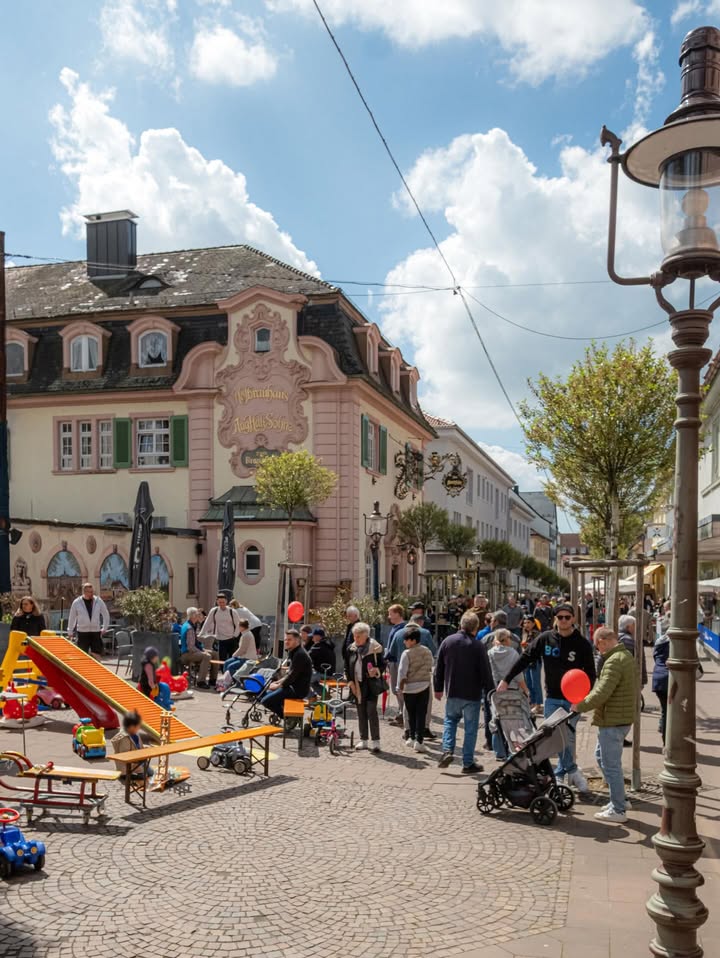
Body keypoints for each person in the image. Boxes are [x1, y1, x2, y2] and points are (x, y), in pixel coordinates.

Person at [498, 602, 596, 793]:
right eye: (560, 617)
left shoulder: (582, 643)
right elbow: (525, 658)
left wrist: (582, 697)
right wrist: (506, 679)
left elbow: (591, 674)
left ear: (573, 619)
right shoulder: (545, 638)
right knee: (555, 737)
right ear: (555, 619)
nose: (564, 620)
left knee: (568, 737)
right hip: (552, 697)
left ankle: (560, 773)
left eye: (567, 617)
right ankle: (571, 771)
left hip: (574, 700)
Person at [572, 627, 636, 824]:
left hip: (613, 720)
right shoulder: (624, 656)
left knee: (611, 765)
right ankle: (620, 799)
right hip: (618, 718)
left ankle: (618, 809)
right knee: (601, 756)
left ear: (603, 641)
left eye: (597, 645)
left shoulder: (614, 661)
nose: (597, 650)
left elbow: (602, 692)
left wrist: (580, 706)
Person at [434, 611, 492, 774]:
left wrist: (438, 688)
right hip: (472, 693)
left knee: (450, 721)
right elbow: (485, 671)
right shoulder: (478, 646)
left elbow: (439, 667)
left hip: (453, 690)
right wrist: (490, 691)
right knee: (470, 729)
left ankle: (447, 750)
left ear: (461, 624)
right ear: (475, 628)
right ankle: (468, 762)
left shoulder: (448, 641)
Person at [487, 629, 529, 760]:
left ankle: (499, 752)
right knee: (515, 721)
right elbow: (518, 675)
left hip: (496, 691)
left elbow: (492, 673)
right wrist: (525, 690)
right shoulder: (513, 653)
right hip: (512, 690)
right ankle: (515, 749)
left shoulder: (490, 653)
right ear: (506, 639)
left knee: (496, 720)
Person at [344, 621, 385, 753]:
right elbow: (346, 667)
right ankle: (364, 740)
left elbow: (383, 664)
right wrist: (350, 682)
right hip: (357, 685)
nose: (355, 639)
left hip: (371, 684)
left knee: (371, 711)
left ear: (366, 635)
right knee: (361, 712)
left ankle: (376, 741)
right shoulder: (351, 649)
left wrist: (376, 670)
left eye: (358, 636)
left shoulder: (375, 647)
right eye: (354, 636)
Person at [397, 624, 434, 753]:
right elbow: (431, 665)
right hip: (424, 685)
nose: (404, 642)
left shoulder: (406, 653)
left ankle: (411, 737)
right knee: (421, 714)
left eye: (406, 640)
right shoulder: (427, 651)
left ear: (413, 640)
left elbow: (402, 672)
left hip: (409, 687)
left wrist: (399, 687)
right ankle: (419, 741)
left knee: (411, 714)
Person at [260, 629, 312, 718]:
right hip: (292, 686)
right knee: (265, 694)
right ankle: (285, 712)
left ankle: (287, 718)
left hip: (297, 690)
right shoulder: (295, 652)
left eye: (289, 639)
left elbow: (292, 676)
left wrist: (278, 686)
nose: (286, 642)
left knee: (266, 701)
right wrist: (277, 682)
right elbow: (290, 674)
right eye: (285, 639)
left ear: (297, 640)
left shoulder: (299, 654)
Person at [67, 582, 110, 661]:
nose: (91, 593)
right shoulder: (77, 602)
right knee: (82, 654)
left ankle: (98, 667)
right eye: (89, 592)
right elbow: (72, 617)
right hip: (82, 631)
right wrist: (70, 631)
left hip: (95, 631)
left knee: (97, 653)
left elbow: (105, 614)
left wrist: (105, 627)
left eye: (92, 591)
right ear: (84, 592)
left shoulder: (98, 601)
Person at [110, 710, 154, 782]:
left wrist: (146, 747)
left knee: (151, 772)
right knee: (144, 775)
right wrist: (140, 758)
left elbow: (138, 746)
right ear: (131, 726)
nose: (139, 728)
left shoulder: (135, 734)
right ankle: (125, 776)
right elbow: (125, 756)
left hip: (137, 762)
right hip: (128, 766)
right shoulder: (124, 738)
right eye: (138, 726)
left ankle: (140, 770)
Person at [199, 593, 242, 661]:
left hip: (231, 638)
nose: (221, 604)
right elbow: (207, 623)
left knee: (232, 658)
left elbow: (238, 624)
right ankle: (223, 668)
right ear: (217, 602)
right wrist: (201, 634)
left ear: (226, 601)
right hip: (220, 639)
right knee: (222, 659)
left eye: (223, 602)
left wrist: (235, 635)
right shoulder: (214, 611)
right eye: (220, 602)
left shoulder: (232, 611)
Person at [179, 607, 215, 688]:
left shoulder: (192, 625)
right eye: (197, 614)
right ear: (193, 616)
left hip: (192, 651)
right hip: (187, 653)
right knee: (207, 656)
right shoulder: (189, 628)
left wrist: (202, 650)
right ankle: (201, 681)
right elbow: (191, 647)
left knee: (215, 654)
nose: (199, 615)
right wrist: (202, 652)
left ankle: (213, 680)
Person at [385, 603, 407, 726]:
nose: (389, 616)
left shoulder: (402, 628)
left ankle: (403, 715)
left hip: (397, 662)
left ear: (398, 614)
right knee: (396, 689)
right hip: (392, 662)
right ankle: (401, 713)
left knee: (398, 689)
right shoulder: (396, 627)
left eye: (391, 614)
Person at [520, 614, 543, 716]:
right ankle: (532, 702)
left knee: (535, 683)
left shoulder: (537, 634)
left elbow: (538, 647)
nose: (526, 625)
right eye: (525, 623)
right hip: (526, 661)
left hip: (535, 661)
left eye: (528, 622)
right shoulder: (524, 633)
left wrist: (527, 645)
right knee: (528, 683)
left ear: (533, 623)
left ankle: (538, 704)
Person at [138, 646, 173, 711]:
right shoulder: (148, 665)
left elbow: (153, 675)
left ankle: (166, 701)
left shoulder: (150, 663)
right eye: (156, 656)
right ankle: (160, 705)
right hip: (146, 687)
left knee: (165, 686)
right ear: (152, 657)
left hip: (151, 684)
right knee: (156, 694)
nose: (157, 658)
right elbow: (150, 680)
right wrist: (154, 688)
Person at [307, 627, 337, 697]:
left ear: (318, 637)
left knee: (302, 679)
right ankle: (325, 695)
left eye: (313, 636)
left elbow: (306, 658)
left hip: (323, 673)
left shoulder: (318, 646)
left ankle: (311, 697)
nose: (312, 639)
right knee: (313, 682)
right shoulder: (328, 645)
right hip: (330, 673)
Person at [652, 629, 670, 746]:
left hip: (658, 678)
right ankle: (668, 743)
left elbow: (656, 658)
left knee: (665, 711)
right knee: (670, 713)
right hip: (670, 679)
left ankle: (665, 742)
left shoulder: (659, 641)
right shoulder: (675, 644)